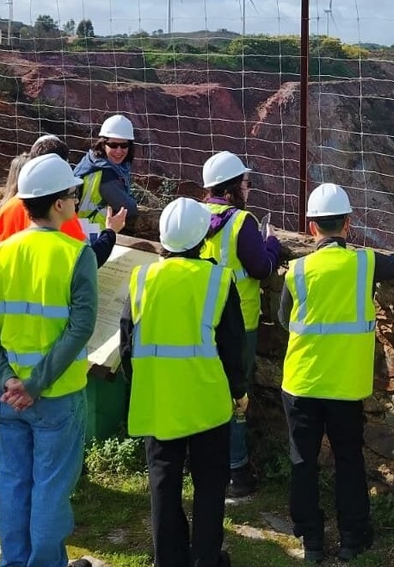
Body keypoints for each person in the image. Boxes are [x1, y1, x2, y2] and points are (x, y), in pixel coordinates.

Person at [0, 153, 98, 567]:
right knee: (51, 487)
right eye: (72, 196)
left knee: (12, 482)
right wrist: (35, 384)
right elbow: (80, 327)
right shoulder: (76, 254)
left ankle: (14, 561)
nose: (75, 201)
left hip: (4, 395)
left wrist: (4, 377)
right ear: (58, 203)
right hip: (55, 394)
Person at [277, 183, 394, 563]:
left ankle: (311, 541)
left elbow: (284, 318)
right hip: (345, 386)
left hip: (301, 382)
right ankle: (353, 537)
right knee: (349, 459)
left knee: (303, 461)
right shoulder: (365, 265)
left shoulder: (298, 270)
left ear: (311, 227)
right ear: (348, 224)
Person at [120, 198, 247, 567]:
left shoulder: (141, 278)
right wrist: (238, 392)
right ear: (202, 237)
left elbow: (127, 342)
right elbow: (232, 345)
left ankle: (169, 558)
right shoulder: (218, 280)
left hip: (157, 396)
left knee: (163, 482)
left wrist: (139, 382)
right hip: (206, 399)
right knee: (210, 482)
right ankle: (206, 558)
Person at [198, 150, 282, 497]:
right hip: (239, 320)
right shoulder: (242, 222)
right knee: (236, 394)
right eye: (246, 183)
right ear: (233, 187)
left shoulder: (196, 216)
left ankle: (202, 460)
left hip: (204, 317)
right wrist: (272, 244)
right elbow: (261, 268)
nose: (248, 188)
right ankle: (236, 470)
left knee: (205, 389)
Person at [0, 134, 125, 266]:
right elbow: (90, 260)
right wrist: (110, 231)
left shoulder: (6, 210)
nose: (76, 201)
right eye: (73, 194)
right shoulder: (60, 216)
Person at [72, 114, 139, 238]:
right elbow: (128, 209)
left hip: (82, 228)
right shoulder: (105, 174)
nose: (119, 150)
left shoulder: (91, 160)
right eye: (113, 145)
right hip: (94, 234)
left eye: (124, 145)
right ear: (103, 144)